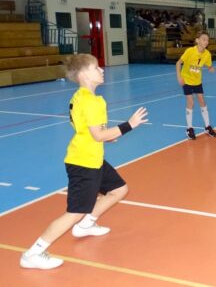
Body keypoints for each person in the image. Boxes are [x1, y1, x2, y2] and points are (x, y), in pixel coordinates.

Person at [20, 54, 148, 270]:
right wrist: (129, 125)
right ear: (84, 74)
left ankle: (86, 225)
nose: (102, 70)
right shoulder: (91, 102)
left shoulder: (80, 96)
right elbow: (98, 135)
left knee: (119, 189)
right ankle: (33, 253)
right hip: (84, 163)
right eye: (97, 67)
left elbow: (89, 130)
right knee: (75, 212)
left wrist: (108, 135)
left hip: (92, 157)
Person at [176, 32, 216, 139]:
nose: (206, 41)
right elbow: (178, 63)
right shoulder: (190, 51)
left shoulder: (207, 54)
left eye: (207, 40)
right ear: (197, 40)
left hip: (197, 81)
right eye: (204, 39)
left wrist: (210, 68)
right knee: (191, 102)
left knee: (202, 101)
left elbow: (209, 65)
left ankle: (207, 126)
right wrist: (179, 77)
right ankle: (189, 129)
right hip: (187, 80)